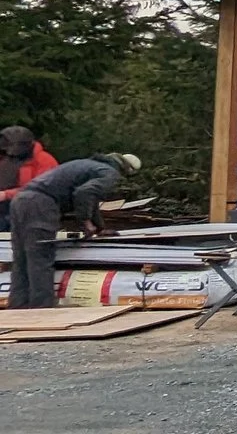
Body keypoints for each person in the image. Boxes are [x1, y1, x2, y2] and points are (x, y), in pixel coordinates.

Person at [7, 153, 139, 310]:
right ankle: (40, 310)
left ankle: (17, 309)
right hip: (40, 204)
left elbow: (90, 199)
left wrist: (100, 228)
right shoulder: (109, 172)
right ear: (127, 170)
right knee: (40, 258)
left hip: (20, 200)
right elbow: (84, 193)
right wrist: (86, 222)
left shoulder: (87, 164)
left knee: (21, 259)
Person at [0, 127, 57, 215]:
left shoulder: (44, 161)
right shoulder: (6, 158)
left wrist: (5, 194)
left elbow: (40, 189)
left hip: (33, 210)